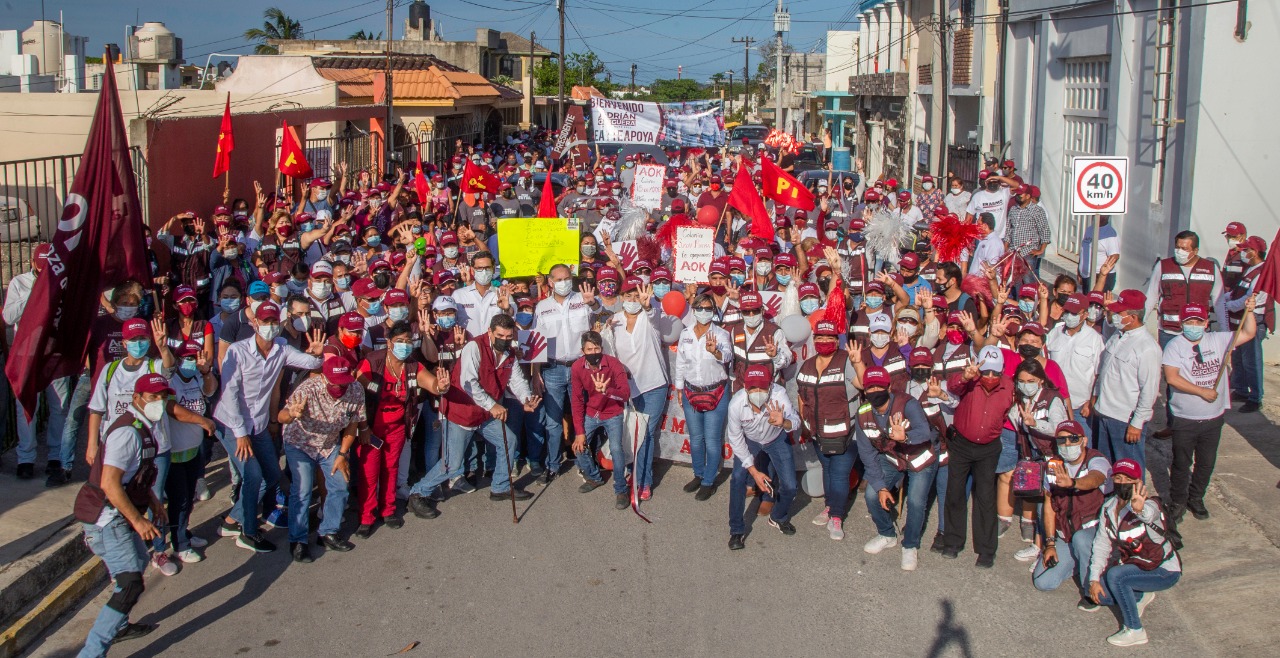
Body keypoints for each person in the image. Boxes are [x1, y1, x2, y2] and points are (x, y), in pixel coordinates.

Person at [73, 374, 174, 655]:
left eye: (163, 397)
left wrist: (153, 502)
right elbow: (110, 484)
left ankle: (118, 625)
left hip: (116, 515)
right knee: (129, 584)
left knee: (138, 564)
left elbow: (135, 475)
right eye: (153, 397)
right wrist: (139, 520)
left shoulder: (143, 427)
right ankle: (91, 652)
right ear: (136, 399)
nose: (159, 402)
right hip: (106, 518)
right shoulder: (127, 433)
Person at [212, 301, 323, 553]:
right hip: (232, 424)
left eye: (274, 322)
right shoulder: (237, 351)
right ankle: (248, 532)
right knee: (254, 476)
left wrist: (316, 354)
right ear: (255, 324)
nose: (270, 326)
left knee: (272, 475)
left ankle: (233, 520)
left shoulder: (281, 350)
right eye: (265, 322)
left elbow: (310, 363)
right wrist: (240, 435)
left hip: (258, 424)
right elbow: (229, 393)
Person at [405, 314, 541, 519]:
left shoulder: (509, 353)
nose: (504, 339)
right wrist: (493, 405)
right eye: (500, 335)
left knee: (508, 441)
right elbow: (469, 383)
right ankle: (418, 492)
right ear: (489, 332)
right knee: (452, 463)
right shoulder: (474, 348)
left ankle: (501, 486)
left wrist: (526, 399)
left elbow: (517, 380)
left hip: (485, 414)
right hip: (462, 412)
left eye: (508, 336)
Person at [1162, 299, 1255, 527]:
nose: (1193, 325)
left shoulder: (1219, 339)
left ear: (1206, 323)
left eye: (1198, 321)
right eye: (1189, 321)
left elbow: (1249, 332)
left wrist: (1249, 311)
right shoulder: (1174, 346)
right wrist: (1201, 391)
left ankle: (1196, 497)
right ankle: (1178, 501)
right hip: (1185, 417)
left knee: (1206, 462)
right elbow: (1172, 377)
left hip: (1213, 418)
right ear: (1182, 324)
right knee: (1182, 463)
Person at [354, 323, 449, 537]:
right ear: (389, 343)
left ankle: (388, 510)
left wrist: (441, 386)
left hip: (397, 426)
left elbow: (432, 385)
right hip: (371, 426)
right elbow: (357, 395)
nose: (405, 346)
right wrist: (363, 427)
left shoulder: (413, 366)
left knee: (391, 469)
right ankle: (366, 517)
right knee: (369, 474)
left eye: (408, 341)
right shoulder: (373, 361)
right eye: (400, 341)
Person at [277, 357, 365, 562]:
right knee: (303, 490)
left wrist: (342, 454)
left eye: (343, 381)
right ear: (324, 377)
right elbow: (283, 415)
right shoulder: (309, 388)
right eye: (335, 382)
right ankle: (298, 540)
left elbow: (353, 424)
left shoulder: (355, 390)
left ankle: (328, 532)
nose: (340, 386)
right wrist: (291, 414)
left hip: (330, 444)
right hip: (301, 444)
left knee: (340, 484)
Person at [1087, 459, 1181, 647]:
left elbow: (1149, 514)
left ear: (1138, 482)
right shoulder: (1109, 508)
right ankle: (1141, 594)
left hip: (1163, 570)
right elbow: (1101, 545)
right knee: (1102, 596)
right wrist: (1094, 580)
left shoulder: (1149, 504)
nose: (1123, 482)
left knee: (1116, 577)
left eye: (1128, 479)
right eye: (1119, 477)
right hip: (1136, 566)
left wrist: (1139, 509)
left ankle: (1135, 630)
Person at [1143, 230, 1227, 438]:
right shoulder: (1163, 267)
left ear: (1195, 250)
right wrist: (1139, 326)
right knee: (1173, 379)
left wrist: (1226, 335)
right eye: (1178, 247)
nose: (1180, 251)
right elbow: (1151, 297)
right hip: (1170, 332)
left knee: (1200, 375)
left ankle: (1200, 416)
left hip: (1200, 334)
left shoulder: (1210, 269)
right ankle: (1175, 422)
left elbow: (1220, 301)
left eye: (1185, 248)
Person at [856, 366, 939, 571]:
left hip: (919, 458)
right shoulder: (863, 413)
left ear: (889, 386)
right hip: (892, 458)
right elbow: (866, 453)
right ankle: (886, 533)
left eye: (879, 386)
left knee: (916, 501)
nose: (875, 391)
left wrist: (906, 437)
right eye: (870, 387)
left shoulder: (907, 403)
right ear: (864, 390)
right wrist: (881, 486)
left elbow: (924, 432)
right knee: (872, 494)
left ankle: (910, 544)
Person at [941, 346, 1016, 567]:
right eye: (986, 372)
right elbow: (952, 385)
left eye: (995, 373)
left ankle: (986, 549)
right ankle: (953, 542)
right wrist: (966, 376)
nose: (990, 377)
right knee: (955, 492)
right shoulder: (969, 380)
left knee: (985, 497)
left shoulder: (1009, 387)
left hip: (989, 448)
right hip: (962, 444)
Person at [5, 244, 73, 481]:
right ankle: (26, 458)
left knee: (59, 406)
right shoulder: (18, 283)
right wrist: (33, 295)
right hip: (27, 355)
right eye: (39, 268)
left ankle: (55, 455)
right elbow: (8, 317)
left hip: (53, 354)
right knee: (25, 407)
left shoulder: (62, 282)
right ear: (33, 264)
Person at [530, 263, 597, 483]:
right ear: (550, 282)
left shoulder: (583, 299)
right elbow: (536, 342)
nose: (564, 282)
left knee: (583, 418)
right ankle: (553, 464)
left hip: (580, 367)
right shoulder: (541, 307)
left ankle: (584, 463)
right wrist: (535, 374)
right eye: (558, 279)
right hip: (553, 369)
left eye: (567, 278)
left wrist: (593, 303)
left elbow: (598, 316)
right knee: (553, 421)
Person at [604, 277, 668, 500]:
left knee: (646, 433)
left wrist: (648, 305)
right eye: (628, 296)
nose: (632, 300)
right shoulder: (614, 321)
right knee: (631, 432)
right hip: (628, 390)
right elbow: (608, 351)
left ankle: (644, 481)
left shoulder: (651, 316)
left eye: (636, 295)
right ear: (620, 298)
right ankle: (635, 470)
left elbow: (654, 317)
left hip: (653, 384)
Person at [724, 365, 801, 551]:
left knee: (790, 485)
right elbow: (735, 438)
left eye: (762, 388)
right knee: (737, 480)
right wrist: (753, 471)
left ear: (770, 386)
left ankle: (778, 517)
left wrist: (784, 422)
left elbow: (796, 421)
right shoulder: (736, 404)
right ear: (745, 388)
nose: (757, 392)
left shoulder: (779, 395)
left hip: (776, 439)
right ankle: (736, 530)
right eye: (753, 388)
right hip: (750, 441)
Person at [797, 320, 861, 541]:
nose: (824, 341)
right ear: (814, 340)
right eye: (820, 338)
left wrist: (858, 362)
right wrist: (804, 424)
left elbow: (863, 385)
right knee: (827, 470)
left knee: (840, 474)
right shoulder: (808, 364)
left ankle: (837, 516)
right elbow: (801, 395)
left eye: (829, 338)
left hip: (845, 432)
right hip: (818, 431)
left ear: (837, 340)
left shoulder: (846, 360)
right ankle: (829, 506)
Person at [1092, 290, 1162, 471]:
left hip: (1124, 420)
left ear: (1132, 317)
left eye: (1119, 313)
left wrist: (1137, 423)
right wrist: (1096, 395)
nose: (1115, 316)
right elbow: (1105, 369)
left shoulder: (1147, 348)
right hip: (1104, 413)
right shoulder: (1118, 335)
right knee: (1103, 468)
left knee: (1128, 472)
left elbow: (1149, 390)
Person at [673, 293, 734, 500]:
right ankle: (698, 474)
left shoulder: (721, 334)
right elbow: (680, 363)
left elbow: (727, 356)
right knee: (696, 439)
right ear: (694, 310)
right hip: (691, 391)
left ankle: (709, 481)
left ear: (713, 312)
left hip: (716, 392)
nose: (704, 312)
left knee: (712, 439)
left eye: (709, 309)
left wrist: (716, 351)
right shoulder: (686, 334)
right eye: (700, 308)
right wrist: (679, 389)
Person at [570, 332, 632, 509]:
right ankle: (594, 477)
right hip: (592, 412)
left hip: (613, 412)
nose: (593, 352)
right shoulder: (577, 368)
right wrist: (579, 432)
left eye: (597, 348)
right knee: (579, 445)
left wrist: (607, 390)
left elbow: (625, 394)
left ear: (602, 349)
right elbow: (577, 400)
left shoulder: (613, 364)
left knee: (616, 449)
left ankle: (621, 489)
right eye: (589, 349)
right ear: (583, 351)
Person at [1045, 294, 1105, 442]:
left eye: (1074, 313)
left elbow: (1099, 374)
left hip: (1080, 407)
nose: (1069, 316)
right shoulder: (1054, 333)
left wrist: (1090, 402)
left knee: (1082, 446)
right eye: (1067, 312)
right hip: (1053, 403)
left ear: (1085, 314)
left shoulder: (1095, 339)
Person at [1225, 235, 1271, 413]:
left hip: (1254, 320)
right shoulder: (1249, 269)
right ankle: (1241, 389)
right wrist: (1224, 299)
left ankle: (1255, 397)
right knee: (1237, 357)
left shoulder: (1262, 273)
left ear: (1255, 252)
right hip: (1239, 320)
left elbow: (1249, 298)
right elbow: (1238, 291)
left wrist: (1228, 305)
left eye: (1246, 250)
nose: (1243, 253)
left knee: (1251, 360)